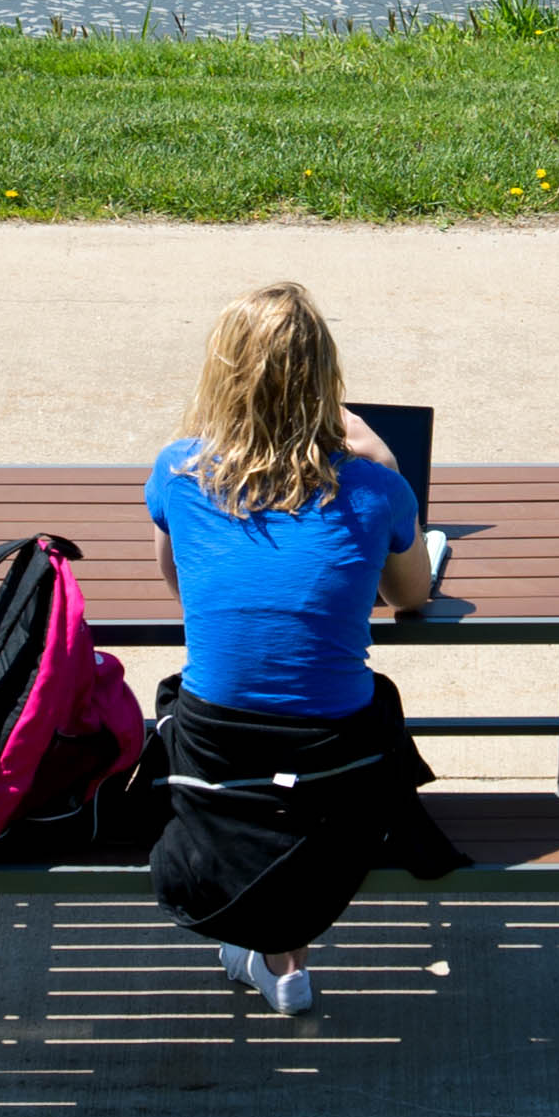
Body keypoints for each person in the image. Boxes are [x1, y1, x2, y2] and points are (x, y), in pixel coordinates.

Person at [144, 281, 461, 1016]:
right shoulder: (374, 488)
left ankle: (267, 939)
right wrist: (385, 464)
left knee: (196, 696)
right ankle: (284, 952)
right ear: (326, 385)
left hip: (215, 757)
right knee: (361, 701)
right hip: (336, 776)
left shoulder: (180, 472)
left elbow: (180, 587)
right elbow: (411, 595)